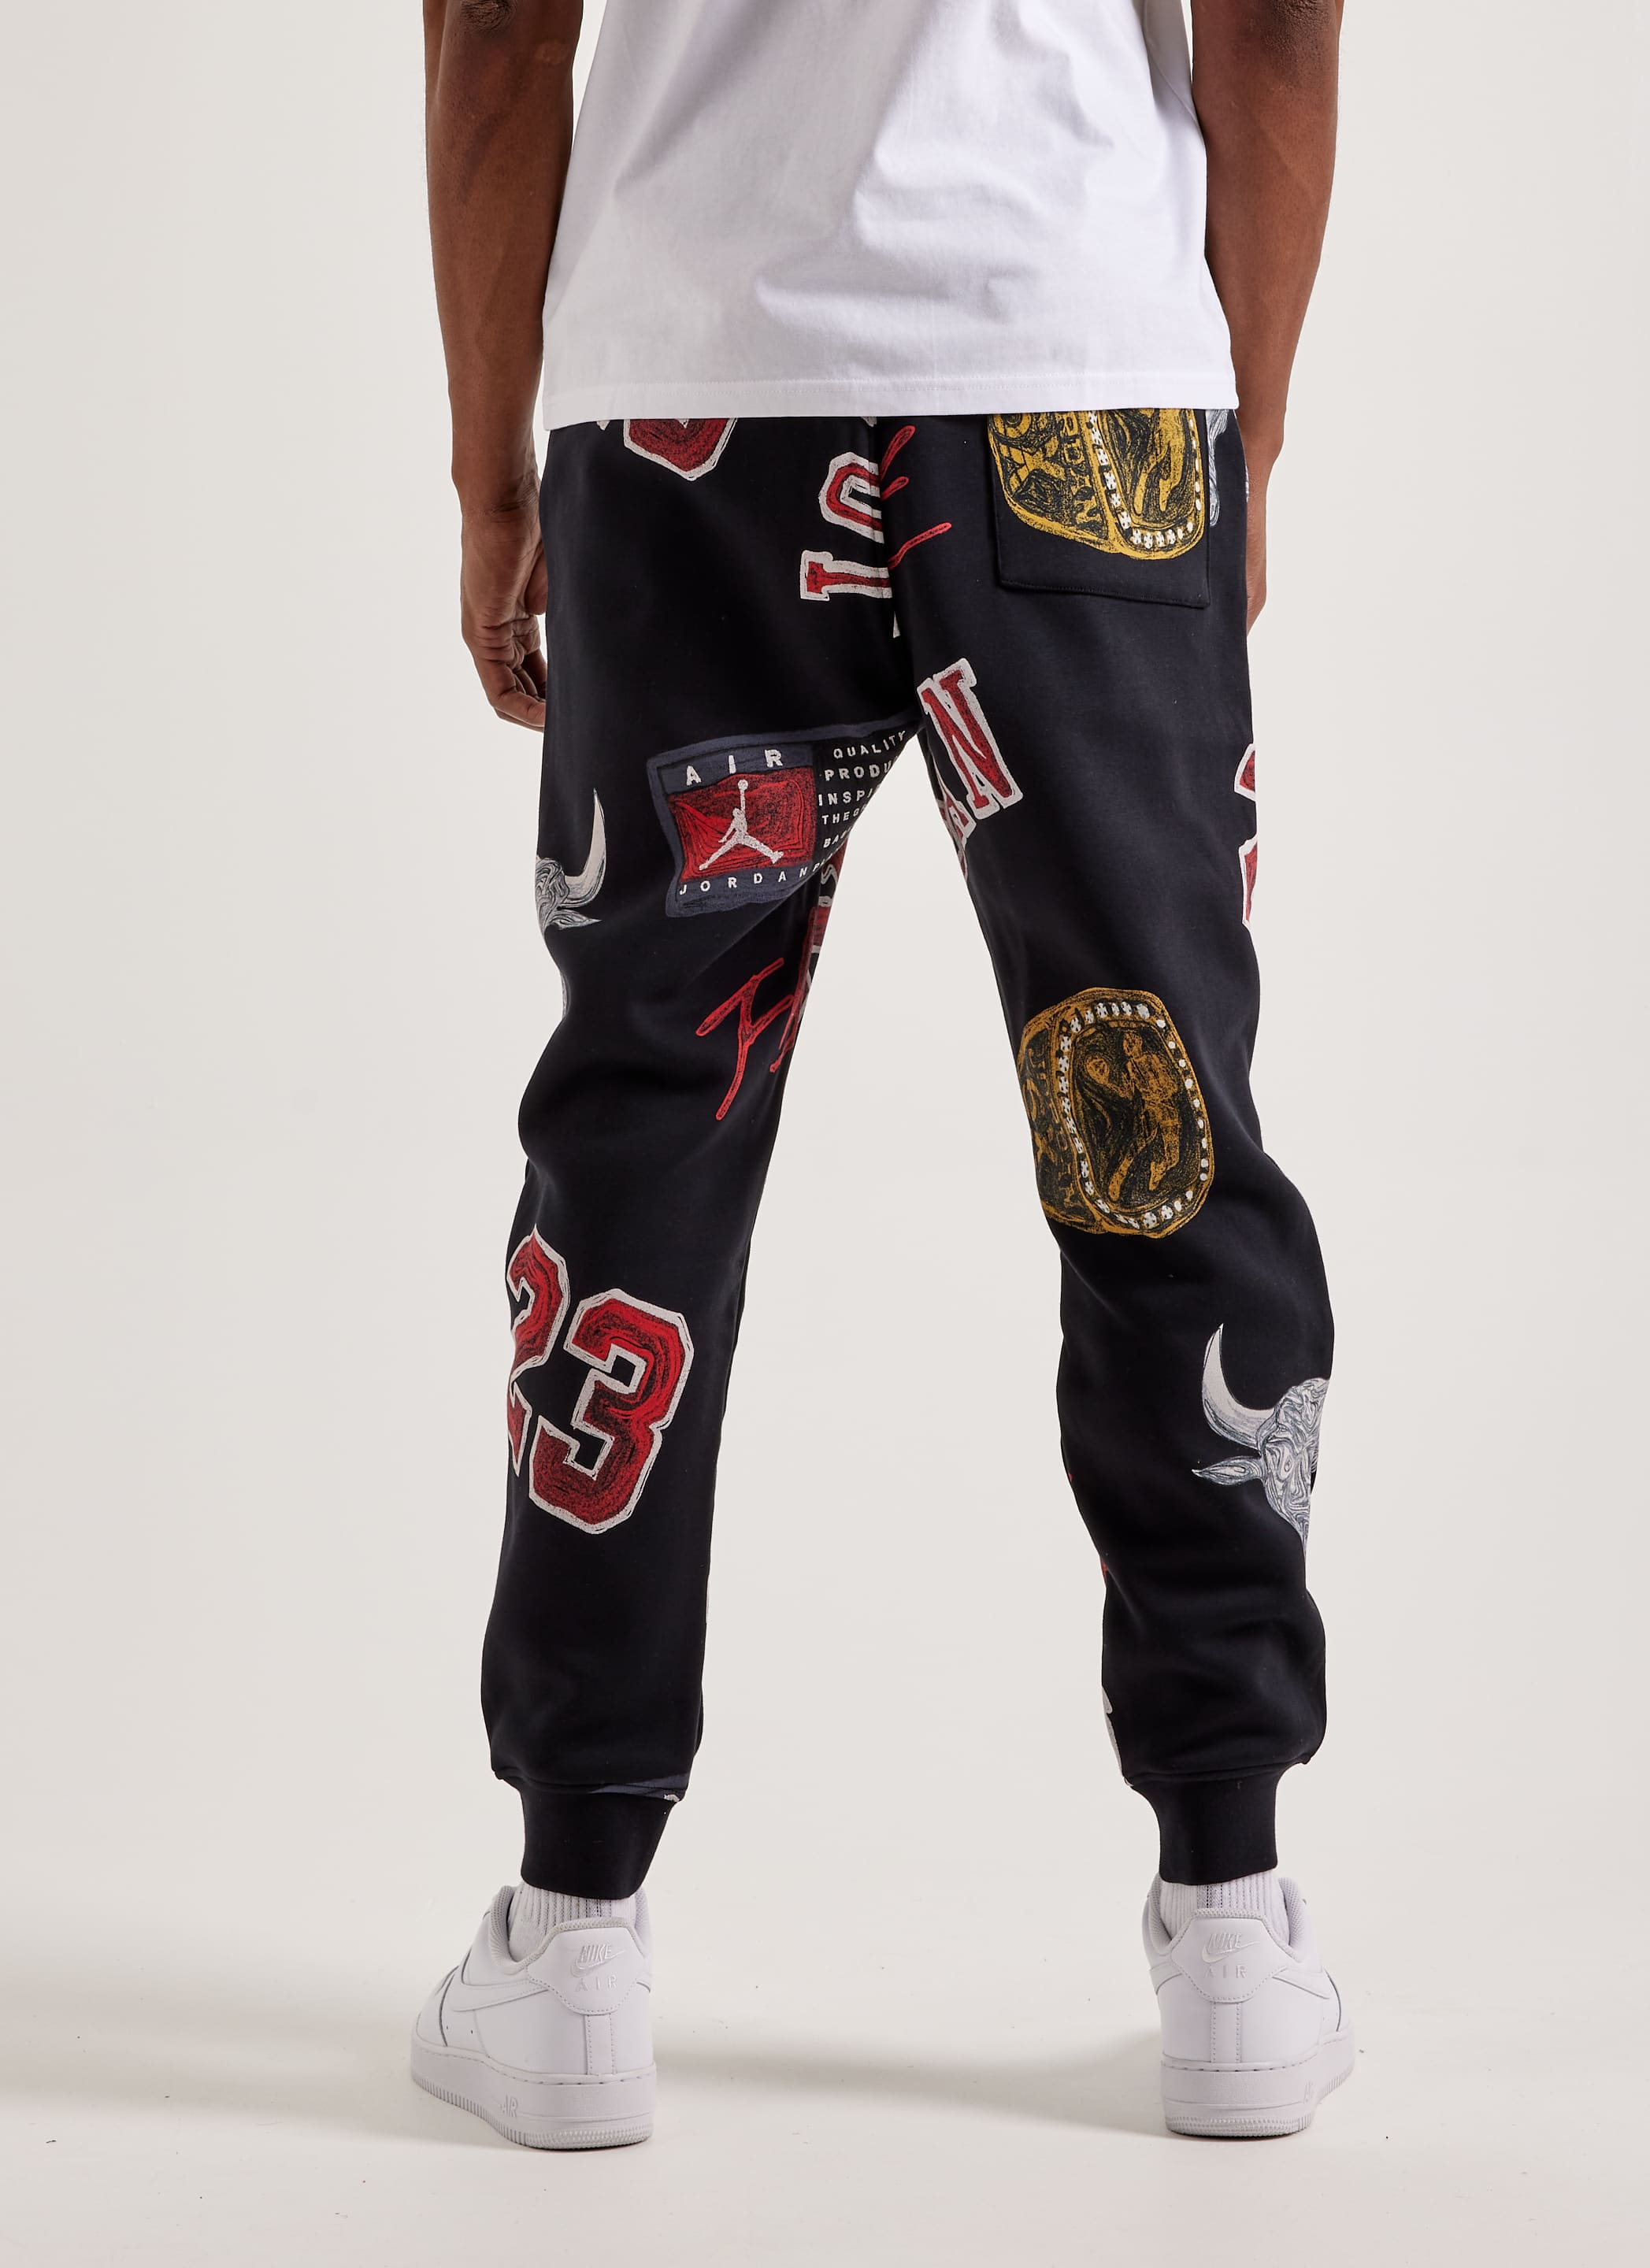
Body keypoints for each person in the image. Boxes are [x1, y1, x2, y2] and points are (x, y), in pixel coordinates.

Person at [413, 0, 1351, 2148]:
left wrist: (489, 473)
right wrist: (1246, 432)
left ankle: (573, 1934)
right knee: (1154, 1124)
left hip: (690, 395)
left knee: (643, 1141)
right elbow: (1274, 31)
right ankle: (1230, 1911)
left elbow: (496, 39)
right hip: (1075, 370)